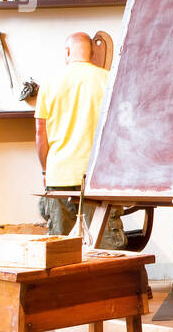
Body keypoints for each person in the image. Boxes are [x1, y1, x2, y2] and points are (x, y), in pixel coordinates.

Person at [35, 32, 125, 248]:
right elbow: (120, 130)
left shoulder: (50, 82)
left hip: (59, 176)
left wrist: (46, 170)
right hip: (98, 177)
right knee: (104, 250)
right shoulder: (108, 79)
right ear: (92, 54)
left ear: (67, 52)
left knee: (60, 250)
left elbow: (40, 133)